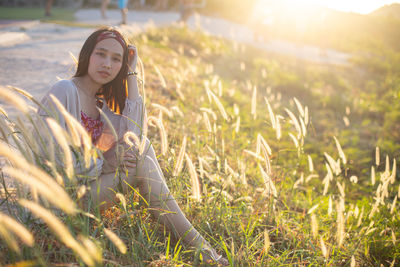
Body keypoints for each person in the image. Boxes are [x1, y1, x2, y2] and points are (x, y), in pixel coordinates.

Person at [37, 27, 228, 265]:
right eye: (101, 54)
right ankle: (205, 251)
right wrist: (104, 162)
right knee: (141, 160)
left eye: (116, 59)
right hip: (58, 204)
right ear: (87, 54)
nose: (107, 63)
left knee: (143, 148)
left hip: (86, 194)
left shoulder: (100, 106)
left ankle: (204, 250)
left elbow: (134, 138)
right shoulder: (65, 90)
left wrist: (132, 73)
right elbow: (53, 162)